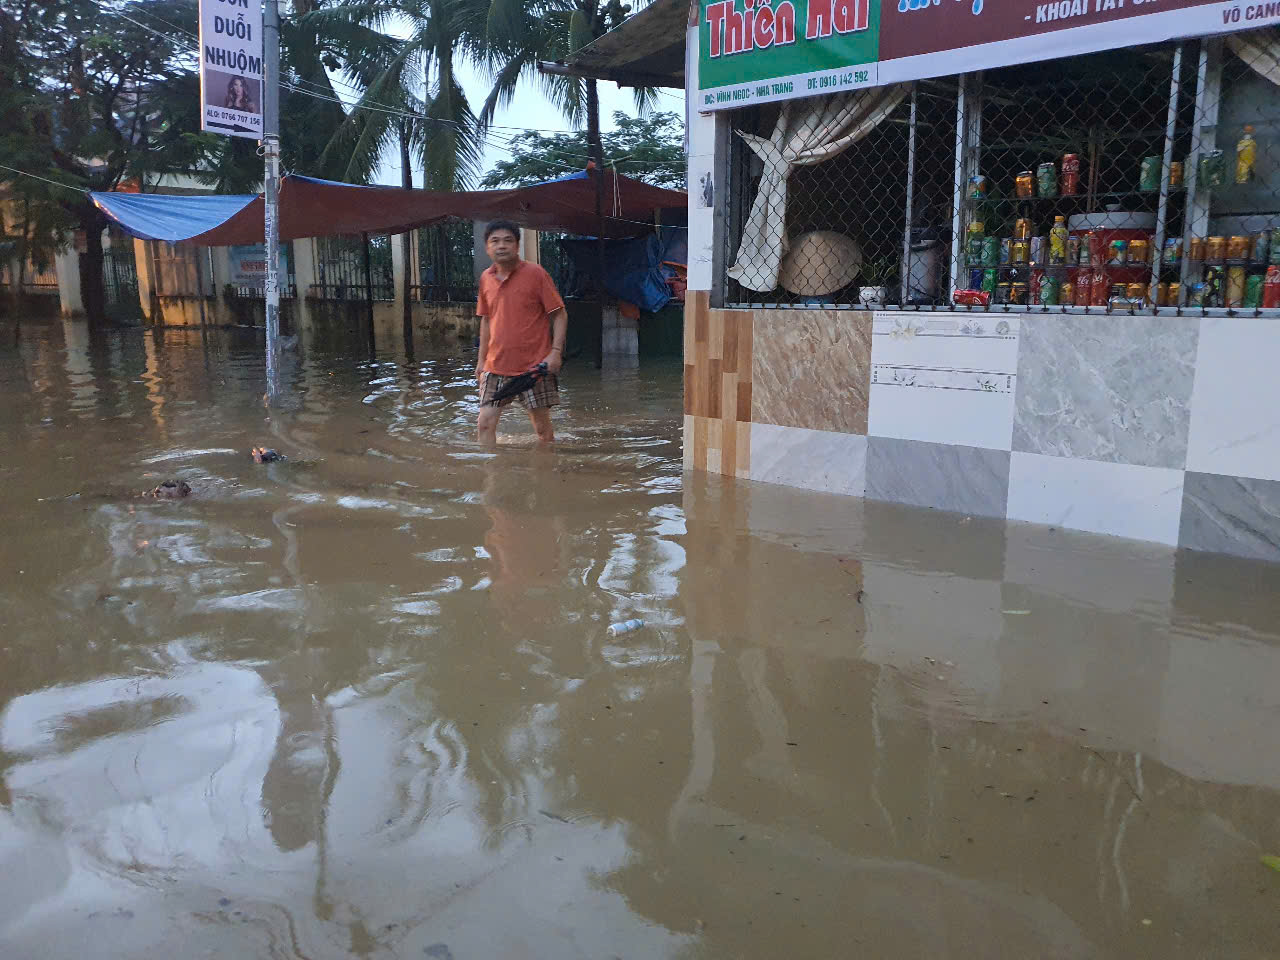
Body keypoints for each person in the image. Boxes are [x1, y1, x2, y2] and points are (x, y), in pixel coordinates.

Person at [474, 220, 568, 444]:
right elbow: (486, 320)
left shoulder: (536, 274)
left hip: (534, 366)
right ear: (487, 248)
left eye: (508, 240)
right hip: (495, 366)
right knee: (484, 423)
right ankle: (490, 475)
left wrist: (555, 352)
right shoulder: (485, 279)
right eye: (495, 241)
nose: (501, 246)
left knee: (542, 430)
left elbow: (559, 314)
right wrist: (480, 361)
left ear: (517, 246)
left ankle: (545, 473)